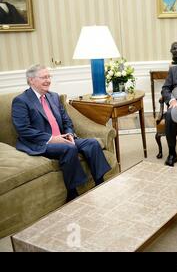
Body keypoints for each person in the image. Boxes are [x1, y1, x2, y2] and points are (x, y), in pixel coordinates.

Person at [12, 64, 111, 202]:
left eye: (49, 76)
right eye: (43, 77)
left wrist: (69, 134)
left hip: (63, 138)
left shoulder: (53, 97)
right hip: (41, 142)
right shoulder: (21, 101)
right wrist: (52, 139)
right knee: (69, 148)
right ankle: (73, 193)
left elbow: (67, 121)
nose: (48, 80)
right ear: (31, 80)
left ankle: (100, 183)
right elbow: (23, 129)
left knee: (92, 143)